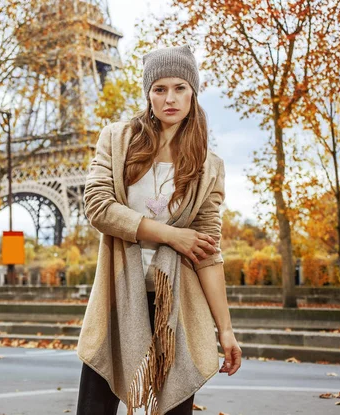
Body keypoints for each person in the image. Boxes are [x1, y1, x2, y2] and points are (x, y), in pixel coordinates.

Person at [76, 44, 243, 415]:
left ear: (193, 92)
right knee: (94, 409)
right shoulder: (117, 140)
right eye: (160, 89)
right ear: (148, 93)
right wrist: (171, 235)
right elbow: (99, 207)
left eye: (180, 87)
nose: (170, 98)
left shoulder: (209, 167)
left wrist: (226, 330)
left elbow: (207, 253)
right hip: (118, 300)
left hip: (178, 307)